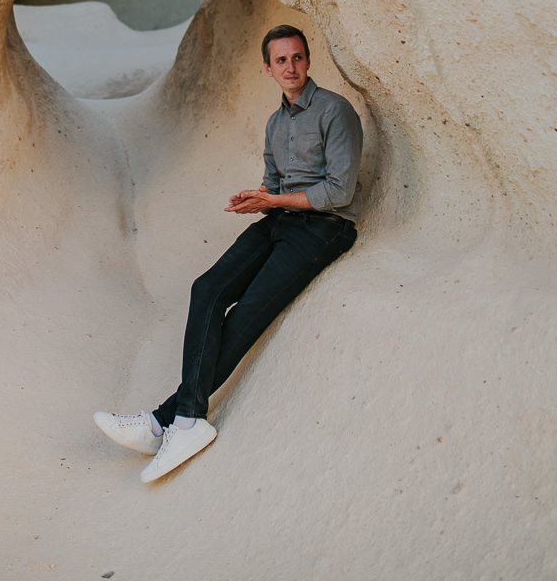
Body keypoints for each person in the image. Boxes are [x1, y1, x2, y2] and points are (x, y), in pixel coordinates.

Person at [94, 24, 363, 482]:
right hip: (281, 220)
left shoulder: (335, 111)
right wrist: (255, 199)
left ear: (308, 61)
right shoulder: (276, 124)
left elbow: (339, 192)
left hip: (325, 228)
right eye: (281, 61)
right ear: (268, 68)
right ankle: (178, 421)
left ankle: (172, 420)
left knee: (248, 311)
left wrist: (272, 202)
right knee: (208, 289)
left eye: (297, 57)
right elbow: (275, 186)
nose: (291, 67)